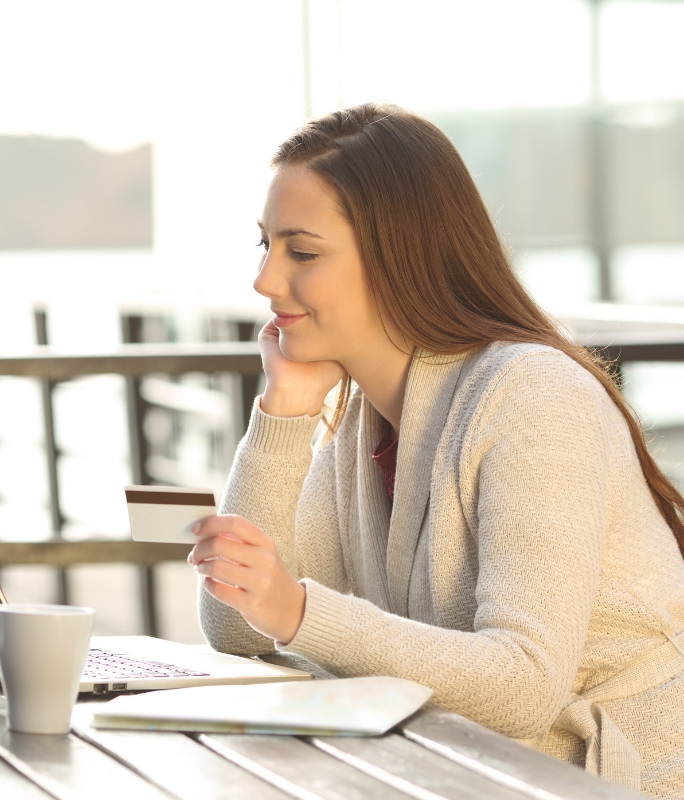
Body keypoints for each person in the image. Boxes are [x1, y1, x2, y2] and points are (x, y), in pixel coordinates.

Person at [192, 102, 684, 797]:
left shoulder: (532, 395)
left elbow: (524, 685)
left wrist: (300, 612)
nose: (266, 281)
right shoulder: (360, 421)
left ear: (401, 258)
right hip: (471, 774)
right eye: (264, 244)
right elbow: (238, 625)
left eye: (301, 251)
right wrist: (282, 414)